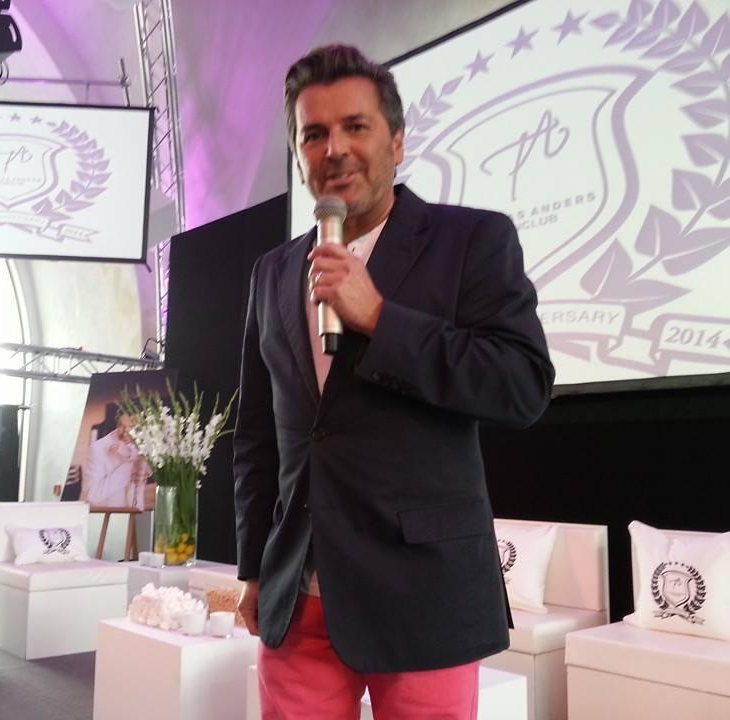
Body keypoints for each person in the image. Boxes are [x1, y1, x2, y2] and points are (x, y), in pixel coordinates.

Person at [233, 45, 555, 719]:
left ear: (398, 141)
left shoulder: (472, 240)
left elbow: (521, 385)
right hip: (299, 599)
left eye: (356, 126)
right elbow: (259, 436)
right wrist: (255, 568)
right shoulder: (270, 272)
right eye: (314, 134)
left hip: (422, 596)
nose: (334, 149)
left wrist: (380, 318)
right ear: (298, 153)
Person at [80, 410, 150, 509]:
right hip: (109, 516)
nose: (126, 432)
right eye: (121, 426)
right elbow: (92, 495)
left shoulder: (144, 445)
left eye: (132, 426)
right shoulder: (98, 449)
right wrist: (129, 467)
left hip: (137, 514)